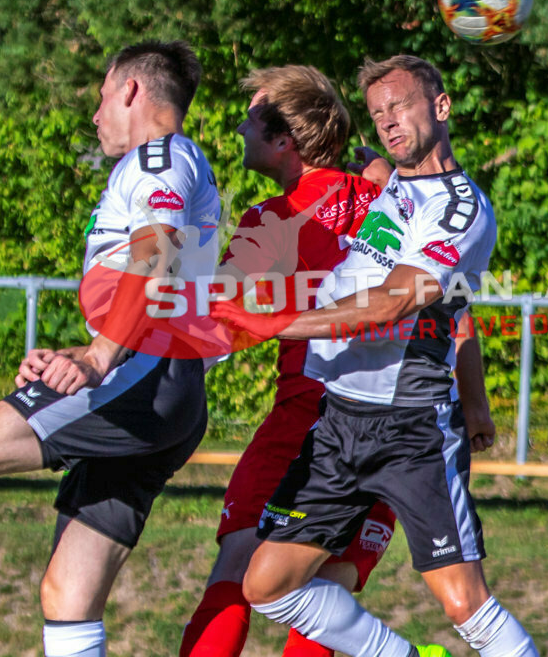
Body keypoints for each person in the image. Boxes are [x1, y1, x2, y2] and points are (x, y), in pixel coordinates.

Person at [0, 40, 220, 657]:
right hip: (165, 384)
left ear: (132, 90)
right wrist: (87, 350)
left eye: (102, 94)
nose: (95, 114)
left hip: (143, 377)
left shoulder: (159, 158)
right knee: (68, 593)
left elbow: (157, 250)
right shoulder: (172, 161)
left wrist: (98, 357)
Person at [222, 55, 537, 657]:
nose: (389, 122)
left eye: (402, 106)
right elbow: (330, 152)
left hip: (410, 426)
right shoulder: (388, 180)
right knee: (266, 583)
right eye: (378, 113)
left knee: (462, 601)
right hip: (339, 420)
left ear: (440, 108)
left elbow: (396, 301)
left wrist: (279, 323)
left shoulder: (460, 208)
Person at [178, 64, 397, 657]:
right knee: (329, 588)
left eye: (251, 118)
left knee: (236, 566)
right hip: (394, 424)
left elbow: (215, 323)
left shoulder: (272, 221)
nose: (240, 128)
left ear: (284, 142)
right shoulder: (386, 197)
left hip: (308, 415)